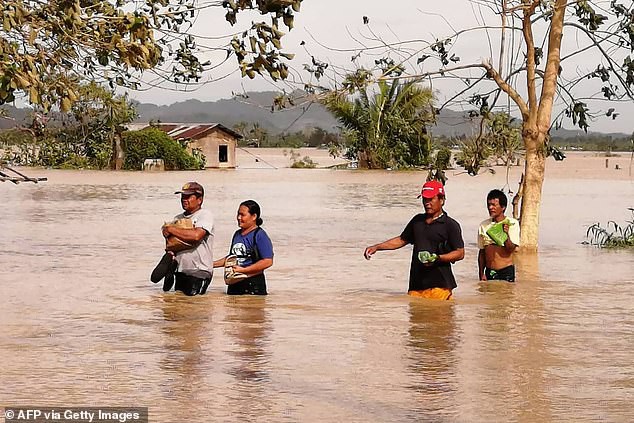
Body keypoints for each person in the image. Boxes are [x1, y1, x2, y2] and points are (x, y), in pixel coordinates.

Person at [364, 180, 465, 300]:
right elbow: (402, 240)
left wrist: (437, 258)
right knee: (415, 317)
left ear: (441, 200)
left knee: (439, 316)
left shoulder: (450, 225)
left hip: (440, 285)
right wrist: (377, 247)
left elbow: (460, 253)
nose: (427, 203)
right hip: (416, 285)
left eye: (431, 199)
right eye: (424, 199)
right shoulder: (417, 221)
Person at [151, 182, 215, 296]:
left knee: (196, 306)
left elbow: (196, 236)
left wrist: (171, 230)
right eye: (182, 197)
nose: (184, 200)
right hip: (180, 272)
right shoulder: (177, 218)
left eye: (188, 196)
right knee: (179, 307)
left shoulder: (205, 215)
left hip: (199, 272)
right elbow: (172, 245)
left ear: (199, 199)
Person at [213, 200, 273, 295]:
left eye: (242, 215)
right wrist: (211, 265)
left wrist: (243, 270)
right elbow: (232, 258)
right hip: (234, 283)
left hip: (253, 285)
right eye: (238, 214)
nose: (238, 218)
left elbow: (267, 261)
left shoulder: (260, 235)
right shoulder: (237, 234)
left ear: (254, 216)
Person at [478, 189, 520, 282]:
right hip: (490, 271)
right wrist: (481, 273)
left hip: (506, 270)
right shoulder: (483, 225)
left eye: (494, 205)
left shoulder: (512, 224)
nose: (490, 207)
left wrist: (505, 235)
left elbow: (511, 249)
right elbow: (482, 252)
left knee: (505, 296)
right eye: (489, 205)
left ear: (503, 207)